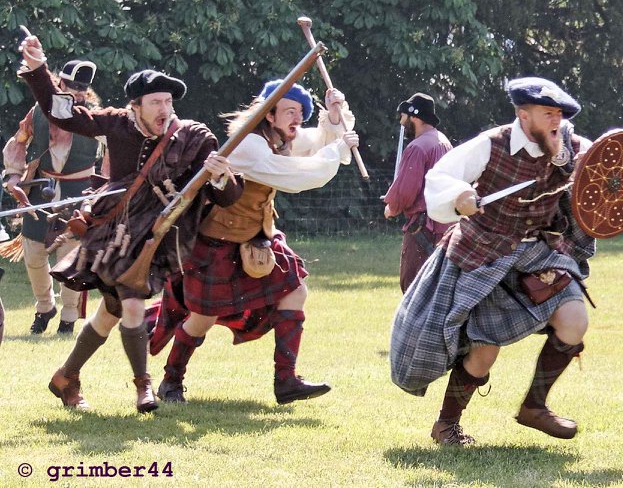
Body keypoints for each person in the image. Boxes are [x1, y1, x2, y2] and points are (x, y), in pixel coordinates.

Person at [21, 34, 238, 413]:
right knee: (133, 306)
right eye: (155, 102)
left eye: (168, 102)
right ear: (134, 105)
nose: (164, 110)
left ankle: (65, 376)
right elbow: (64, 114)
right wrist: (40, 71)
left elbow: (226, 197)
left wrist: (219, 175)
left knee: (112, 311)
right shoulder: (117, 123)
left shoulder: (193, 137)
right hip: (114, 233)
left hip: (156, 240)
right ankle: (144, 388)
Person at [389, 77, 594, 446]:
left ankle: (535, 406)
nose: (554, 121)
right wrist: (461, 196)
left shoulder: (574, 148)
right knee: (483, 351)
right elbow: (440, 177)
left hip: (539, 253)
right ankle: (447, 425)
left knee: (575, 321)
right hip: (483, 253)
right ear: (523, 114)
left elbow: (605, 181)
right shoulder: (491, 144)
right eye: (546, 113)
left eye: (558, 114)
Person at [153, 80, 357, 405]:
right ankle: (171, 381)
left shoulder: (278, 137)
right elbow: (296, 175)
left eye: (300, 114)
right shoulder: (250, 144)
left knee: (295, 291)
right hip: (218, 243)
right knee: (203, 318)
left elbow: (314, 142)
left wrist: (334, 117)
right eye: (289, 111)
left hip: (258, 238)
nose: (296, 120)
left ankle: (286, 381)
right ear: (268, 114)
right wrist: (338, 150)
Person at [4, 59, 102, 336]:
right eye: (72, 86)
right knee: (34, 254)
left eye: (82, 88)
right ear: (59, 82)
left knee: (69, 257)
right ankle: (45, 308)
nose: (77, 92)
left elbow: (115, 150)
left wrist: (106, 187)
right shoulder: (39, 110)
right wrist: (12, 175)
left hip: (78, 193)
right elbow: (18, 141)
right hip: (40, 190)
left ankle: (69, 318)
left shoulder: (95, 116)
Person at [383, 93, 453, 291]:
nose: (401, 121)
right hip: (446, 227)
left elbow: (406, 191)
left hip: (424, 228)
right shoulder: (443, 141)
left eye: (403, 116)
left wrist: (392, 207)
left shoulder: (417, 147)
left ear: (414, 116)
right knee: (439, 290)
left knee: (413, 288)